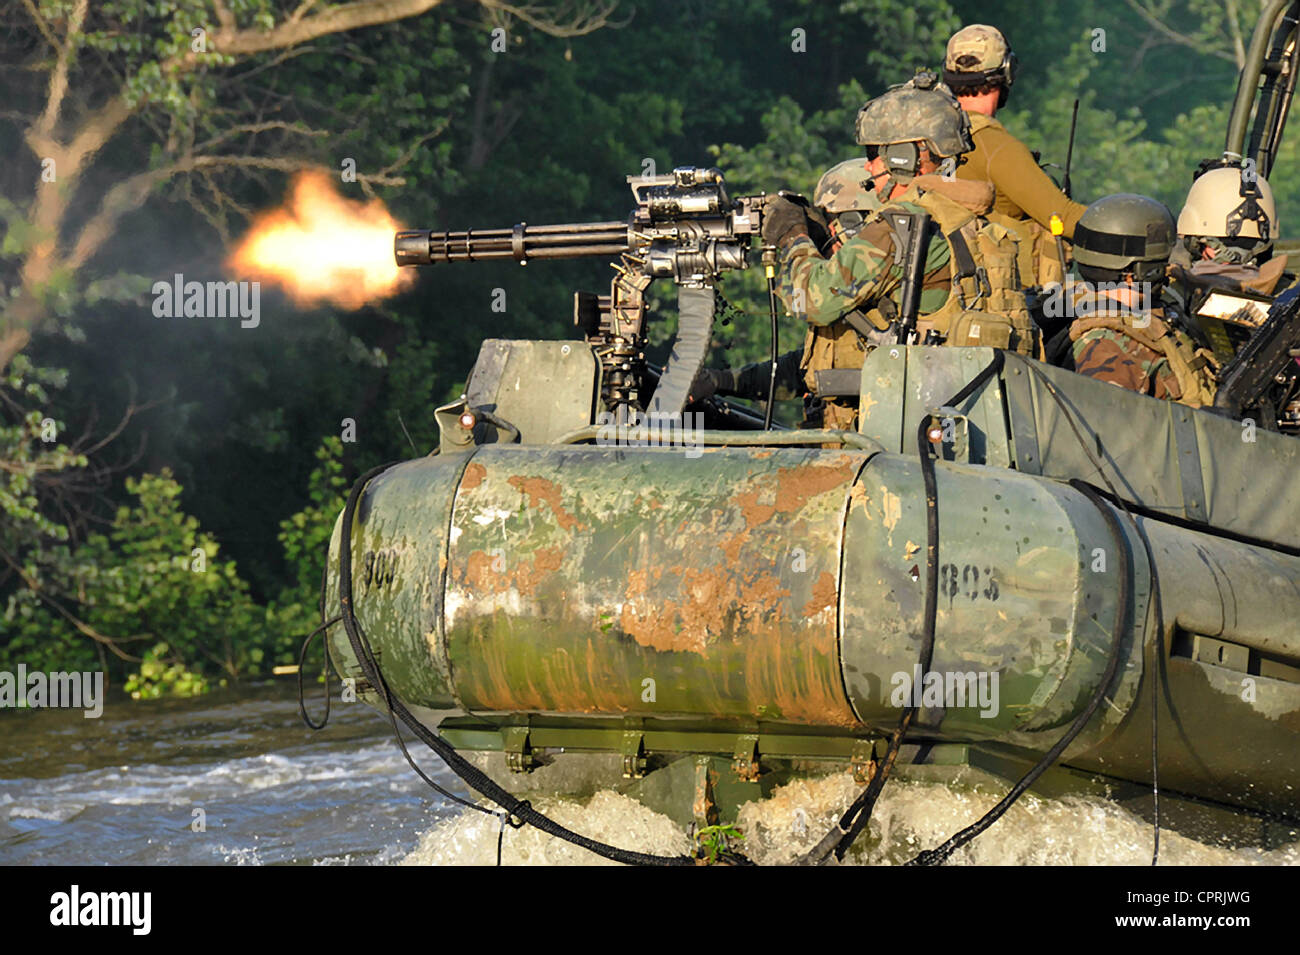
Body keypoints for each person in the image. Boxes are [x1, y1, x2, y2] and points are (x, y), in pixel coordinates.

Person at [756, 71, 1035, 431]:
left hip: (894, 431)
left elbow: (814, 301)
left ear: (904, 156)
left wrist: (793, 235)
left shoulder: (901, 225)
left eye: (875, 154)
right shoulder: (966, 222)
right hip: (946, 422)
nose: (870, 167)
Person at [943, 24, 1087, 287]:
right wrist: (1133, 228)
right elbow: (1064, 218)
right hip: (1003, 297)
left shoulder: (930, 138)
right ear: (1007, 71)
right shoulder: (995, 147)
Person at [1068, 193, 1218, 407]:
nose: (1168, 271)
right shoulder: (1107, 347)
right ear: (1136, 273)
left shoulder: (1149, 315)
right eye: (1160, 264)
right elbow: (1110, 430)